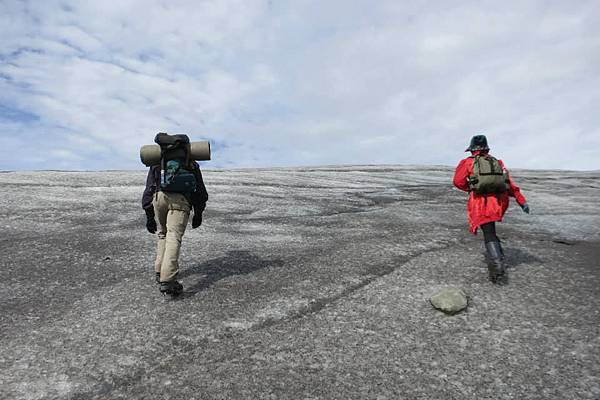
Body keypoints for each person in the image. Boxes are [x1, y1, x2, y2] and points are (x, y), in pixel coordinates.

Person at [453, 134, 529, 283]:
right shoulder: (497, 162)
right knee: (490, 231)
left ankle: (498, 270)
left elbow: (457, 181)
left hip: (481, 203)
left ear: (472, 149)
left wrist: (472, 187)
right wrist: (522, 201)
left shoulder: (468, 162)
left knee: (489, 233)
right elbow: (509, 184)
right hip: (498, 203)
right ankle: (499, 257)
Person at [142, 133, 208, 296]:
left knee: (163, 234)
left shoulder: (158, 162)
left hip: (160, 198)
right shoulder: (190, 163)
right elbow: (200, 191)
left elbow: (149, 188)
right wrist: (198, 213)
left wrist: (149, 215)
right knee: (174, 236)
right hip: (180, 201)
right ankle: (168, 280)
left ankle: (159, 271)